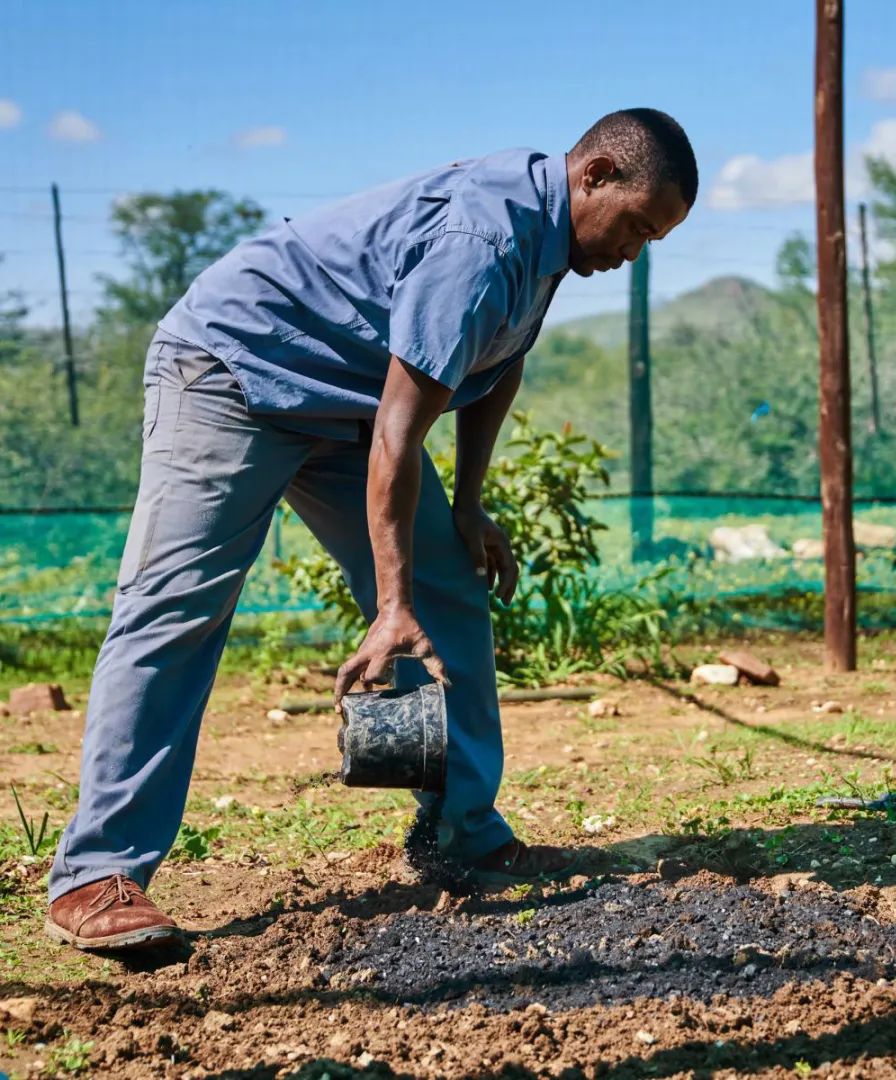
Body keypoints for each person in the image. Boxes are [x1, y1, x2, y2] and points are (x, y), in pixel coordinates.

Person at [44, 108, 696, 951]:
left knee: (448, 586)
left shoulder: (550, 237)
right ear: (595, 175)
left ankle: (461, 829)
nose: (633, 251)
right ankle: (95, 874)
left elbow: (496, 360)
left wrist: (467, 505)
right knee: (177, 608)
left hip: (348, 402)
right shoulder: (483, 238)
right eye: (636, 226)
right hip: (234, 371)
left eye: (653, 240)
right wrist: (391, 608)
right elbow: (398, 431)